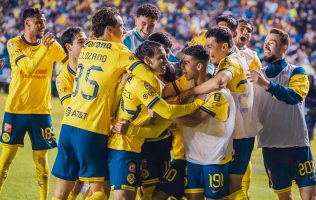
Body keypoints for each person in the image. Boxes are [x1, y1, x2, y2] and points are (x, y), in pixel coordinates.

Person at [51, 7, 160, 200]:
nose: (124, 30)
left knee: (60, 193)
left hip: (68, 125)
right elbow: (151, 80)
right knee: (98, 191)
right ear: (109, 29)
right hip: (92, 129)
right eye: (121, 26)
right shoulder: (120, 52)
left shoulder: (87, 48)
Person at [107, 40, 204, 200]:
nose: (167, 61)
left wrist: (131, 130)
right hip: (122, 147)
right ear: (147, 61)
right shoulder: (142, 83)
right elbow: (167, 111)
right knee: (123, 197)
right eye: (161, 57)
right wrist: (198, 103)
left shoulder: (150, 82)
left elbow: (157, 129)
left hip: (133, 147)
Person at [0, 8, 67, 200]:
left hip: (41, 111)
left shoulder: (52, 46)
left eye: (44, 22)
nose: (43, 26)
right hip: (16, 110)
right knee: (5, 162)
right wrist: (46, 48)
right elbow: (28, 68)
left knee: (41, 162)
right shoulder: (14, 44)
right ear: (26, 24)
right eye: (38, 22)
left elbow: (69, 64)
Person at [247, 28, 316, 200]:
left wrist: (267, 85)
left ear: (284, 47)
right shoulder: (256, 76)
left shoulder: (297, 72)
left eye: (272, 42)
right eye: (266, 42)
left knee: (310, 196)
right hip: (271, 147)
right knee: (284, 198)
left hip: (298, 145)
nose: (266, 45)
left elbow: (294, 96)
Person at [172, 45, 235, 200]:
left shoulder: (219, 94)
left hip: (214, 160)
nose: (182, 67)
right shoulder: (186, 87)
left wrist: (165, 114)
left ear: (199, 66)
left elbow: (195, 120)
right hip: (192, 158)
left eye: (186, 63)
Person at [55, 27, 87, 200]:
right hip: (74, 131)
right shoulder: (63, 78)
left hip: (94, 130)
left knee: (88, 181)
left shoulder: (93, 69)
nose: (86, 46)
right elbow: (70, 107)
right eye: (81, 42)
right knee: (68, 186)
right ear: (68, 47)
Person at [232, 18, 262, 198]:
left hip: (244, 121)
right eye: (242, 28)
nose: (245, 32)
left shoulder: (252, 56)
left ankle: (245, 195)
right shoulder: (223, 51)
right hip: (225, 119)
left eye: (248, 30)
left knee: (242, 164)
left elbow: (257, 88)